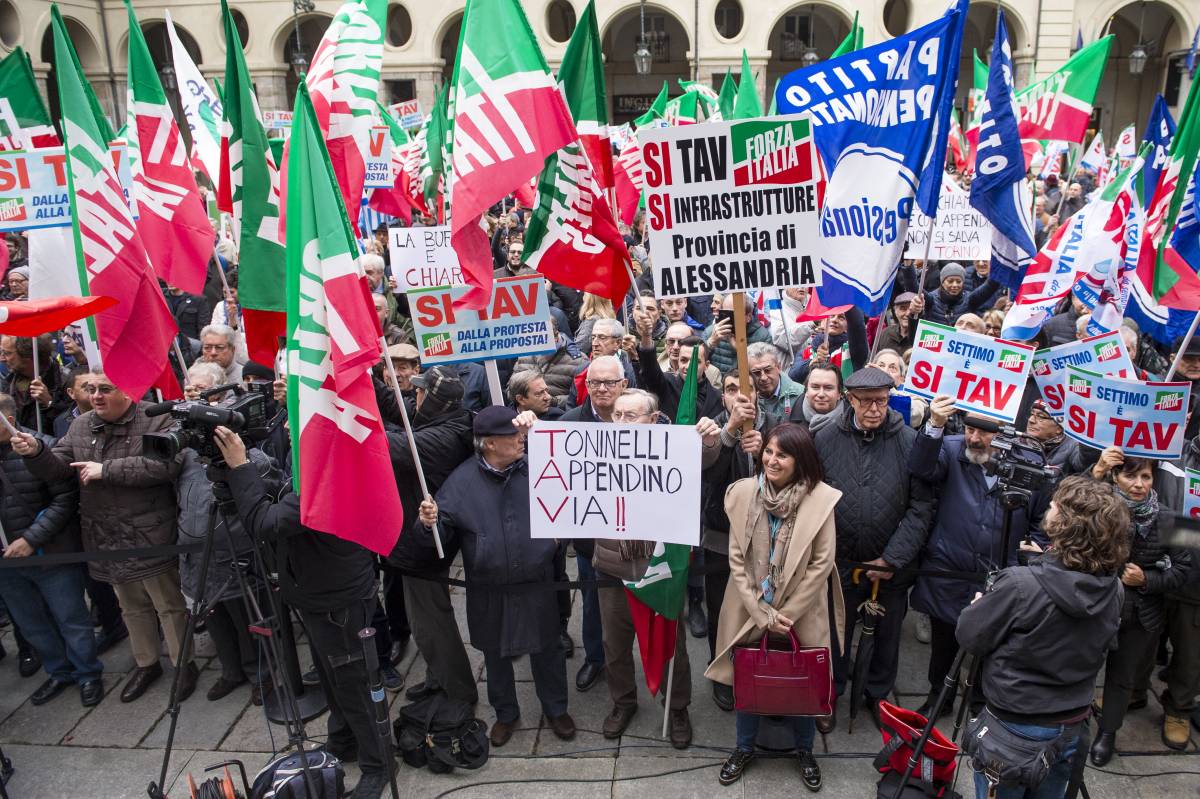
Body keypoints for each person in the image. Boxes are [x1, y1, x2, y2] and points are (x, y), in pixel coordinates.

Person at [213, 425, 390, 799]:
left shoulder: (331, 469)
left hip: (337, 598)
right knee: (332, 678)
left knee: (353, 683)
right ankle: (343, 740)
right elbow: (283, 496)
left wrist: (241, 467)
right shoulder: (316, 459)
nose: (289, 427)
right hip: (317, 593)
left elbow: (268, 523)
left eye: (299, 420)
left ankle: (378, 764)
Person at [12, 369, 197, 704]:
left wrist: (106, 470)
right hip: (105, 534)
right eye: (92, 389)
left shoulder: (157, 418)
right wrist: (35, 451)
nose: (95, 396)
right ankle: (146, 662)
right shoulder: (82, 424)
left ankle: (183, 664)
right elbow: (58, 469)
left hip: (149, 531)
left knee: (167, 604)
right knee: (130, 605)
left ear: (127, 392)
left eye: (105, 389)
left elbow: (164, 465)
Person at [956, 476, 1128, 799]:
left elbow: (969, 635)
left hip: (1014, 729)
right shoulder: (1114, 588)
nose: (1047, 507)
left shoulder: (1020, 586)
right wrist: (1044, 561)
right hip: (1072, 725)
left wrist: (982, 606)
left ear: (1066, 525)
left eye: (1054, 505)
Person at [414, 407, 576, 747]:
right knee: (495, 653)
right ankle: (505, 714)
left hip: (537, 582)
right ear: (488, 444)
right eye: (511, 436)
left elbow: (572, 494)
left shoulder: (537, 467)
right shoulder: (460, 482)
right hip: (489, 589)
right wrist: (430, 523)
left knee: (547, 648)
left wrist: (558, 539)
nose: (520, 440)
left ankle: (556, 708)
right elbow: (441, 538)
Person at [707, 422, 843, 789]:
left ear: (800, 461)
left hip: (799, 610)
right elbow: (737, 557)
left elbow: (821, 562)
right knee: (748, 677)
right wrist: (758, 611)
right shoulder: (742, 493)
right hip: (750, 607)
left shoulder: (822, 499)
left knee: (803, 681)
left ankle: (804, 750)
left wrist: (787, 614)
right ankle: (744, 747)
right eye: (768, 451)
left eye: (782, 454)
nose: (771, 459)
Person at [585, 390, 719, 748]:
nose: (622, 422)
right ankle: (622, 702)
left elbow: (704, 456)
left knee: (671, 644)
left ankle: (677, 707)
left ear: (654, 418)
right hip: (612, 569)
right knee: (614, 645)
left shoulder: (673, 448)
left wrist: (709, 438)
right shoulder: (594, 446)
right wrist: (529, 425)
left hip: (658, 569)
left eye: (632, 416)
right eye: (617, 415)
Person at [810, 366, 934, 731]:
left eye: (881, 401)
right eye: (866, 402)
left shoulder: (910, 441)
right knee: (836, 634)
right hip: (841, 563)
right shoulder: (825, 437)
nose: (875, 409)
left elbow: (921, 506)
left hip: (891, 566)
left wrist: (893, 558)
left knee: (887, 636)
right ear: (850, 400)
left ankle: (878, 697)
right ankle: (831, 694)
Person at [907, 397, 1045, 718]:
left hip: (1001, 573)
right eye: (969, 429)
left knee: (993, 644)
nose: (974, 439)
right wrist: (935, 426)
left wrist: (1033, 552)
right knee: (945, 641)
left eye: (985, 433)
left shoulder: (1028, 464)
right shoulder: (953, 450)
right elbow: (920, 467)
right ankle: (939, 696)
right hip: (950, 569)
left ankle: (982, 703)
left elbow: (1042, 519)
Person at [1087, 447, 1192, 766]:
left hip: (1141, 614)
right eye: (1130, 475)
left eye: (1145, 476)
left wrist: (1146, 579)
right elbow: (1065, 510)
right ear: (1116, 477)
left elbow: (1186, 568)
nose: (1139, 483)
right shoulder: (1098, 508)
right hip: (1095, 606)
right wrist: (1096, 470)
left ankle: (1108, 733)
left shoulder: (1171, 517)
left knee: (1122, 676)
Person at [0, 393, 102, 708]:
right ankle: (59, 670)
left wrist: (31, 539)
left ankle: (88, 674)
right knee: (31, 623)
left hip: (51, 554)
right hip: (7, 564)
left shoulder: (43, 448)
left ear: (9, 421)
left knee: (70, 617)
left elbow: (65, 499)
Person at [386, 366, 478, 708]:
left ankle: (457, 692)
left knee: (429, 623)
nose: (414, 395)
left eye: (421, 391)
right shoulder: (446, 418)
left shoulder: (441, 438)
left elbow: (386, 445)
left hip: (425, 542)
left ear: (436, 402)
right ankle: (438, 679)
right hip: (418, 535)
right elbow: (396, 404)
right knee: (423, 619)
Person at [511, 318, 587, 410]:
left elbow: (582, 399)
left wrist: (553, 401)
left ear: (555, 337)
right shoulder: (525, 355)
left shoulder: (579, 361)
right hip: (525, 415)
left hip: (559, 418)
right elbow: (511, 388)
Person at [0, 334, 70, 431]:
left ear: (27, 355)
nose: (2, 359)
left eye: (7, 353)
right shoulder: (9, 382)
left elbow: (72, 426)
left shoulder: (65, 380)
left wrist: (49, 403)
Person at [704, 294, 772, 375]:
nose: (729, 319)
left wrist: (740, 350)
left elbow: (767, 371)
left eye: (734, 315)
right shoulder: (711, 332)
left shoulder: (762, 336)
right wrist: (710, 343)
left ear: (748, 317)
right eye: (726, 313)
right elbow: (696, 364)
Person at [916, 263, 1001, 327]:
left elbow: (991, 285)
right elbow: (913, 286)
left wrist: (1000, 262)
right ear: (942, 282)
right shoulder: (931, 299)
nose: (955, 285)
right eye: (950, 281)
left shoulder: (970, 300)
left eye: (959, 281)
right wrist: (907, 266)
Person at [1025, 400, 1084, 475]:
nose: (1031, 420)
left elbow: (1084, 466)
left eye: (1041, 416)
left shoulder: (1074, 448)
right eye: (1032, 414)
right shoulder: (1017, 441)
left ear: (1059, 428)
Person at [747, 341, 803, 419]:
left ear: (779, 367)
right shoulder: (744, 397)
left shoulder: (800, 394)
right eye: (756, 373)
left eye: (767, 370)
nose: (764, 377)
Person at [788, 361, 844, 429]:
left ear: (839, 393)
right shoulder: (790, 421)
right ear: (806, 391)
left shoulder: (853, 421)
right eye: (815, 387)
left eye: (828, 388)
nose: (821, 394)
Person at [54, 365, 93, 439]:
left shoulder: (112, 416)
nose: (95, 392)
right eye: (88, 388)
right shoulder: (62, 422)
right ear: (71, 393)